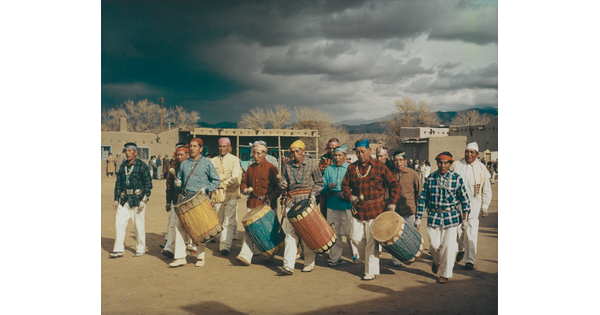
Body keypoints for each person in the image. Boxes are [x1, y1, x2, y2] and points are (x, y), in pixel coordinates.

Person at [341, 139, 400, 281]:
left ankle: (370, 271)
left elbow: (394, 185)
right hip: (358, 210)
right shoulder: (351, 168)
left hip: (376, 210)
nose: (360, 154)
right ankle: (363, 258)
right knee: (354, 238)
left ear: (369, 151)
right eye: (357, 152)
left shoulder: (379, 167)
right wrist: (351, 197)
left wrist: (392, 203)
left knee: (372, 242)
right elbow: (344, 186)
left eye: (363, 151)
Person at [415, 152, 471, 284]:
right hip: (433, 217)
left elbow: (465, 200)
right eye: (440, 162)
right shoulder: (430, 178)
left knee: (448, 246)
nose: (443, 165)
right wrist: (418, 218)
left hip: (451, 217)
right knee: (434, 245)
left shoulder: (456, 179)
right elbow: (423, 199)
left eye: (446, 163)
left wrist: (465, 219)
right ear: (436, 163)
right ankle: (437, 261)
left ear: (450, 164)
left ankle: (445, 274)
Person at [169, 138, 221, 267]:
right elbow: (179, 182)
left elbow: (216, 180)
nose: (192, 148)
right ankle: (180, 257)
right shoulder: (184, 164)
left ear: (201, 148)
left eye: (195, 146)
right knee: (179, 227)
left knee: (200, 229)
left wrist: (206, 189)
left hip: (200, 200)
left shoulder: (207, 163)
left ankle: (200, 257)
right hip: (184, 200)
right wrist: (177, 184)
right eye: (190, 146)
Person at [278, 140, 324, 275]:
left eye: (297, 151)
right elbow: (282, 185)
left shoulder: (312, 164)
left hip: (308, 202)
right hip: (291, 203)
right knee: (290, 235)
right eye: (292, 152)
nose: (294, 154)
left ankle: (309, 263)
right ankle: (288, 266)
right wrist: (282, 185)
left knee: (308, 234)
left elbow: (320, 183)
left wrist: (313, 195)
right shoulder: (286, 166)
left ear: (303, 151)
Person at [236, 141, 282, 266]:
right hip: (252, 202)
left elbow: (279, 188)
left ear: (264, 154)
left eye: (257, 153)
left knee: (269, 230)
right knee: (249, 230)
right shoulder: (250, 168)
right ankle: (245, 255)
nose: (254, 156)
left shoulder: (272, 168)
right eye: (253, 153)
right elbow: (244, 183)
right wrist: (244, 189)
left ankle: (270, 255)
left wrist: (271, 199)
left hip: (267, 204)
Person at [451, 142, 492, 270]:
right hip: (457, 207)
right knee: (458, 233)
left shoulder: (481, 169)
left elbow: (486, 190)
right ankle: (461, 249)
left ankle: (470, 260)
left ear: (477, 154)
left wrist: (485, 206)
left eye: (472, 152)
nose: (469, 154)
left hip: (473, 206)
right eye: (467, 151)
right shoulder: (457, 165)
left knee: (471, 233)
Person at [110, 142, 153, 258]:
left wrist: (144, 199)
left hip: (137, 200)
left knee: (138, 225)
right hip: (124, 200)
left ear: (135, 152)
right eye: (126, 150)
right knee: (119, 223)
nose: (127, 153)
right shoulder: (123, 166)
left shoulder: (142, 166)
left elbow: (148, 184)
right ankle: (118, 249)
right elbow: (118, 183)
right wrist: (116, 199)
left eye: (130, 151)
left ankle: (140, 248)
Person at [321, 144, 359, 267]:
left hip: (347, 206)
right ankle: (335, 258)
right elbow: (322, 187)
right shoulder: (328, 169)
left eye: (339, 155)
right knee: (333, 232)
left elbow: (356, 187)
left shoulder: (351, 168)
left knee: (350, 233)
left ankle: (355, 254)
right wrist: (327, 186)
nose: (337, 158)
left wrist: (348, 194)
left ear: (345, 156)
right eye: (335, 155)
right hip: (332, 205)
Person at [389, 151, 422, 268]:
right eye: (395, 160)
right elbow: (386, 193)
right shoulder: (390, 175)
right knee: (395, 236)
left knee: (409, 236)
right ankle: (397, 260)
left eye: (400, 160)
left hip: (409, 211)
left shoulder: (413, 174)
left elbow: (420, 194)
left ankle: (410, 256)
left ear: (405, 161)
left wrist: (418, 214)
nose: (398, 162)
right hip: (395, 212)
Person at [210, 137, 243, 256]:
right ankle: (221, 240)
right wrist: (224, 178)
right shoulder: (213, 161)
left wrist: (218, 183)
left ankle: (225, 246)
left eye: (224, 146)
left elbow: (235, 179)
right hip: (217, 197)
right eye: (220, 146)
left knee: (228, 221)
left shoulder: (235, 160)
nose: (222, 149)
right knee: (218, 220)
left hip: (231, 195)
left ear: (229, 147)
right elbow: (211, 179)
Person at [161, 143, 189, 259]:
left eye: (182, 155)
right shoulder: (173, 167)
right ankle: (170, 248)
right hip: (175, 199)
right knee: (173, 223)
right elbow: (169, 186)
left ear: (187, 155)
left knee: (188, 224)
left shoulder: (191, 166)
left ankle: (193, 246)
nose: (179, 157)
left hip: (189, 199)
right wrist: (168, 201)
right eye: (177, 155)